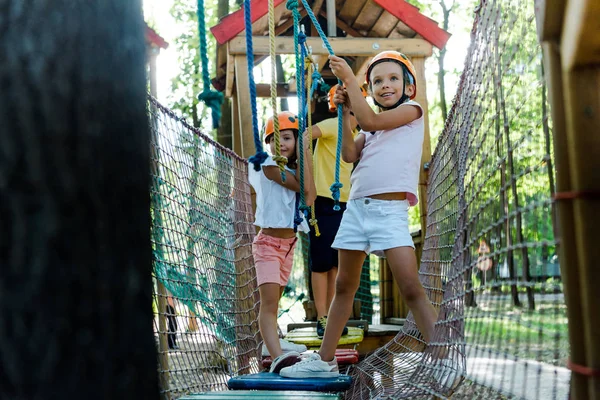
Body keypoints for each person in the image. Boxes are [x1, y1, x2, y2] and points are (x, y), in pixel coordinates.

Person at [281, 51, 461, 388]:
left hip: (389, 213)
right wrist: (346, 110)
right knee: (344, 286)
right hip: (356, 211)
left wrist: (350, 80)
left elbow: (375, 120)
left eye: (393, 79)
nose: (385, 85)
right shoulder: (369, 130)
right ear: (371, 90)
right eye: (377, 81)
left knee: (410, 287)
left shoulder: (413, 112)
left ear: (408, 87)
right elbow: (349, 154)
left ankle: (443, 357)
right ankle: (324, 360)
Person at [248, 111, 316, 373]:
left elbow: (310, 197)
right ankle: (278, 358)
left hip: (288, 246)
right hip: (267, 244)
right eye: (276, 139)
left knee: (275, 300)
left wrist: (304, 153)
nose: (282, 144)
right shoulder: (265, 163)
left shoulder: (293, 166)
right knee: (269, 303)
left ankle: (272, 343)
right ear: (267, 144)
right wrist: (303, 154)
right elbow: (301, 187)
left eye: (288, 138)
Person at [305, 84, 366, 338]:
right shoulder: (333, 125)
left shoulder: (359, 136)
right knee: (321, 263)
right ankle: (321, 316)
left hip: (346, 202)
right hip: (323, 200)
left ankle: (330, 317)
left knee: (335, 265)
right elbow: (305, 135)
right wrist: (308, 174)